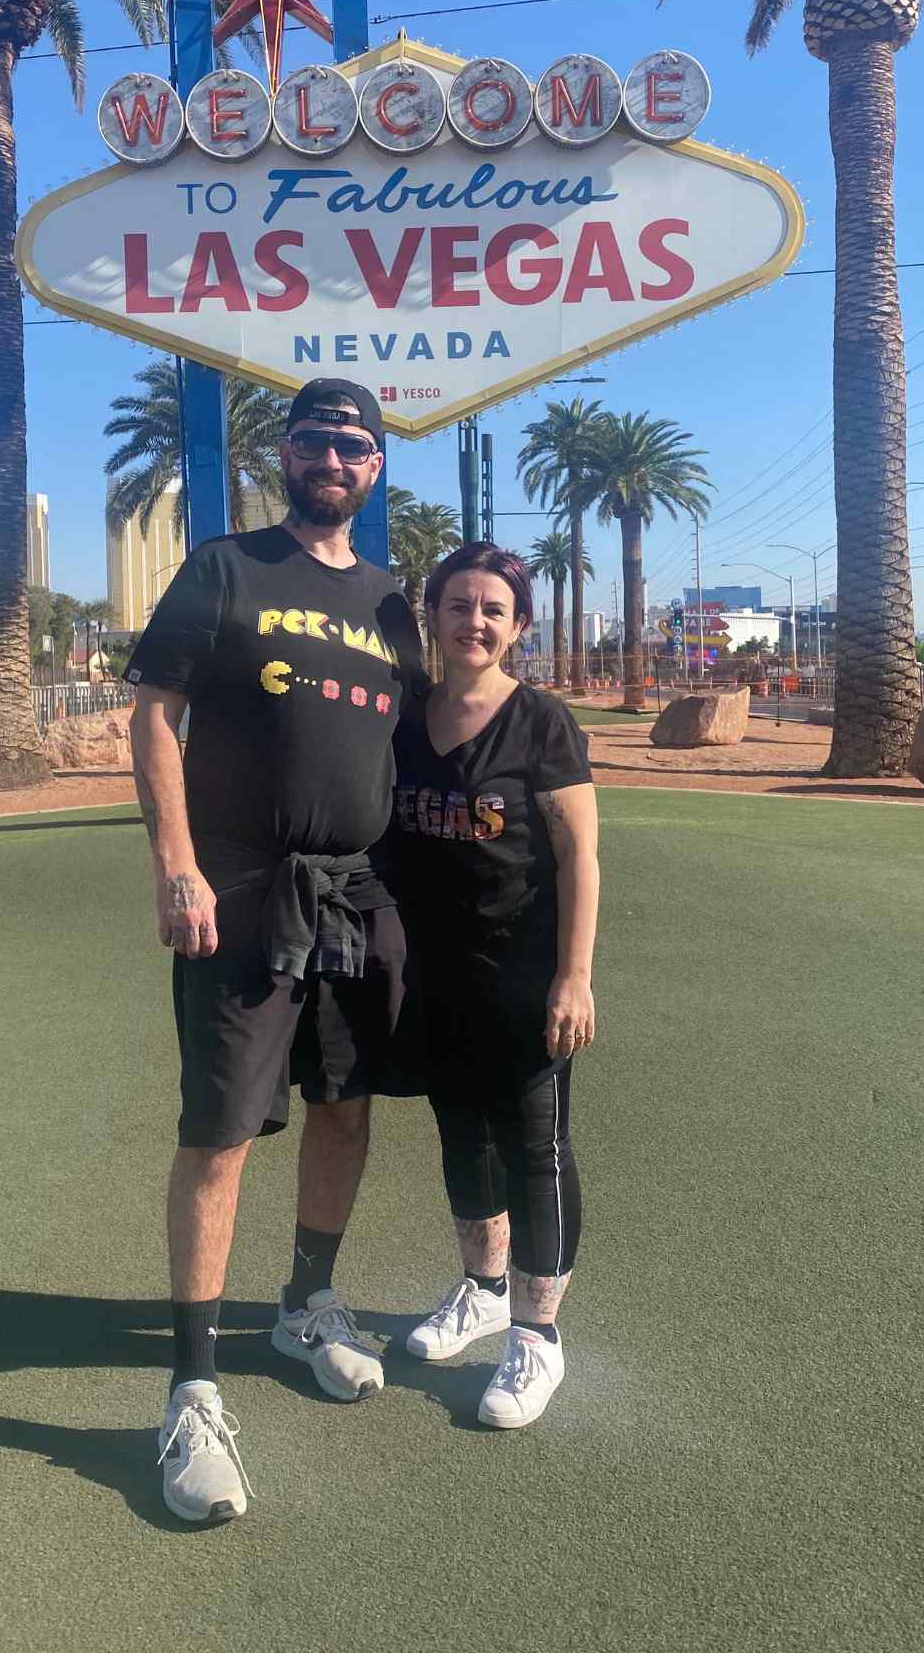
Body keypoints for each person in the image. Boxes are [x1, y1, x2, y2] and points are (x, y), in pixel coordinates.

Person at [126, 379, 422, 1524]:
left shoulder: (397, 601)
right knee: (220, 1129)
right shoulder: (224, 567)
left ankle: (307, 1302)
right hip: (241, 885)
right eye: (316, 439)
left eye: (354, 443)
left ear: (376, 466)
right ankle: (191, 1387)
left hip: (358, 892)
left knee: (346, 1104)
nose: (334, 456)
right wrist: (175, 863)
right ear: (285, 453)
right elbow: (155, 712)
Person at [390, 543, 599, 1428]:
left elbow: (579, 852)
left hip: (522, 973)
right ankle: (481, 1290)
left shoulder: (540, 720)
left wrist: (574, 975)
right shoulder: (405, 718)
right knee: (461, 1135)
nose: (474, 621)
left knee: (535, 1148)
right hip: (431, 974)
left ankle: (536, 1338)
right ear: (432, 616)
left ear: (516, 626)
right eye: (458, 604)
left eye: (493, 609)